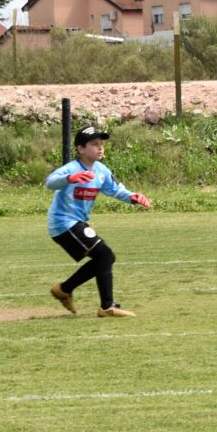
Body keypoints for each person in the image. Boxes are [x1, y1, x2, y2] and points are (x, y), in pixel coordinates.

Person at [46, 125, 152, 317]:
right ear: (80, 149)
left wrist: (133, 197)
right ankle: (106, 306)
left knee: (104, 257)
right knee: (105, 255)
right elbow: (50, 182)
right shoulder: (72, 168)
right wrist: (70, 178)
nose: (100, 147)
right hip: (63, 223)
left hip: (76, 224)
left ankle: (65, 289)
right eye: (94, 144)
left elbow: (116, 190)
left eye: (101, 144)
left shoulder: (101, 171)